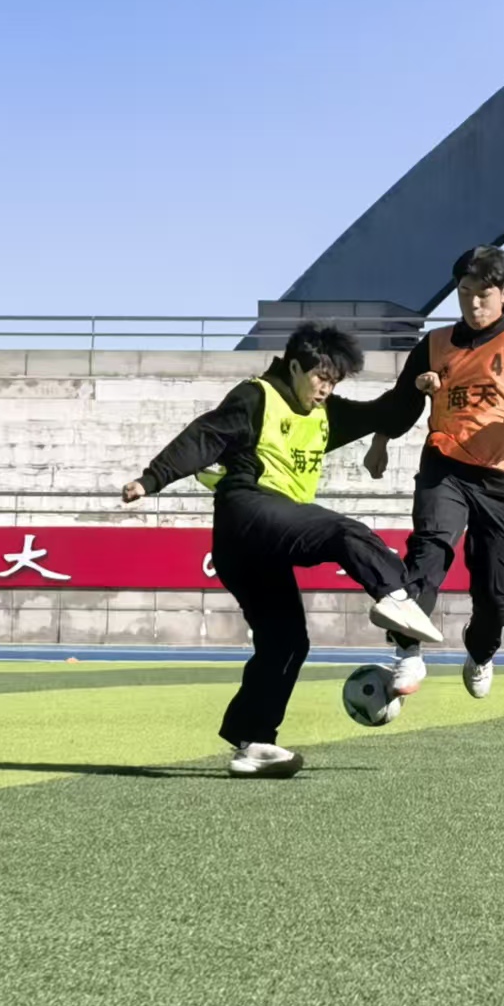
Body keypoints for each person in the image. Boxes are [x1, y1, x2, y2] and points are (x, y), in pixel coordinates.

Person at [121, 322, 442, 779]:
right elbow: (205, 436)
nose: (326, 389)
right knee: (344, 532)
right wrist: (151, 479)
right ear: (294, 367)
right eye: (320, 377)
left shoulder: (324, 413)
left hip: (264, 547)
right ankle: (395, 597)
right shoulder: (256, 397)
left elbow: (383, 414)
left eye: (334, 382)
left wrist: (417, 388)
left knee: (287, 641)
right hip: (246, 514)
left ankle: (253, 742)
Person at [362, 247, 504, 699]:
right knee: (428, 551)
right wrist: (380, 441)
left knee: (495, 594)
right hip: (444, 467)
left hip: (502, 480)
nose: (473, 303)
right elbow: (402, 401)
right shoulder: (434, 344)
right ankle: (407, 651)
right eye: (464, 292)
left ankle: (481, 651)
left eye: (483, 294)